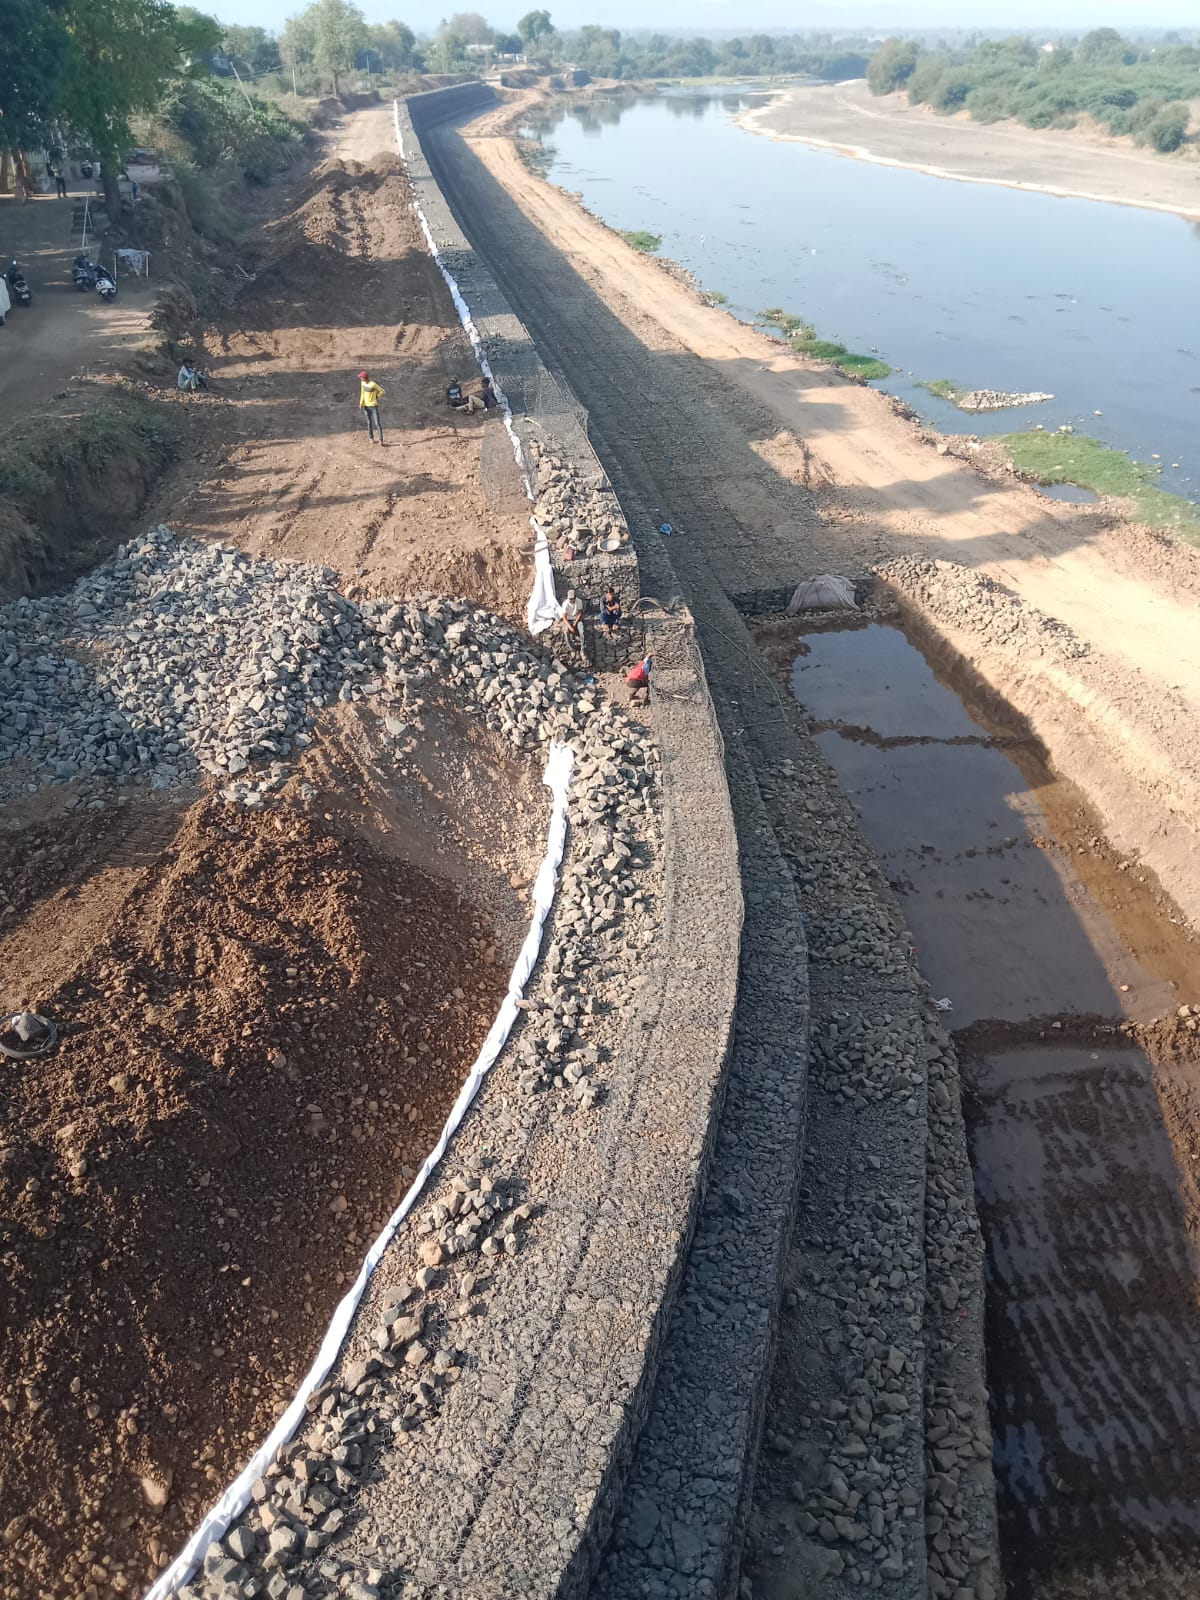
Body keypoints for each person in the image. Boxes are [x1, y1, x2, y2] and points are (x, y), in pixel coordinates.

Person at [359, 369, 385, 443]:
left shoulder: (373, 384)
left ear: (364, 378)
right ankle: (371, 438)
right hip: (366, 407)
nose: (360, 378)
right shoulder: (362, 383)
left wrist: (377, 396)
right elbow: (362, 393)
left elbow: (382, 391)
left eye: (361, 377)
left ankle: (381, 440)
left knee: (377, 423)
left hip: (373, 406)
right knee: (369, 423)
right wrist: (361, 403)